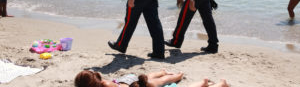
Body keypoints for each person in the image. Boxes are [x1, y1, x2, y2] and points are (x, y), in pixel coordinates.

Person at [74, 69, 230, 87]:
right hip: (126, 80)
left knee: (158, 82)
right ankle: (164, 72)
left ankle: (220, 84)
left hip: (130, 84)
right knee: (150, 78)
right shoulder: (103, 83)